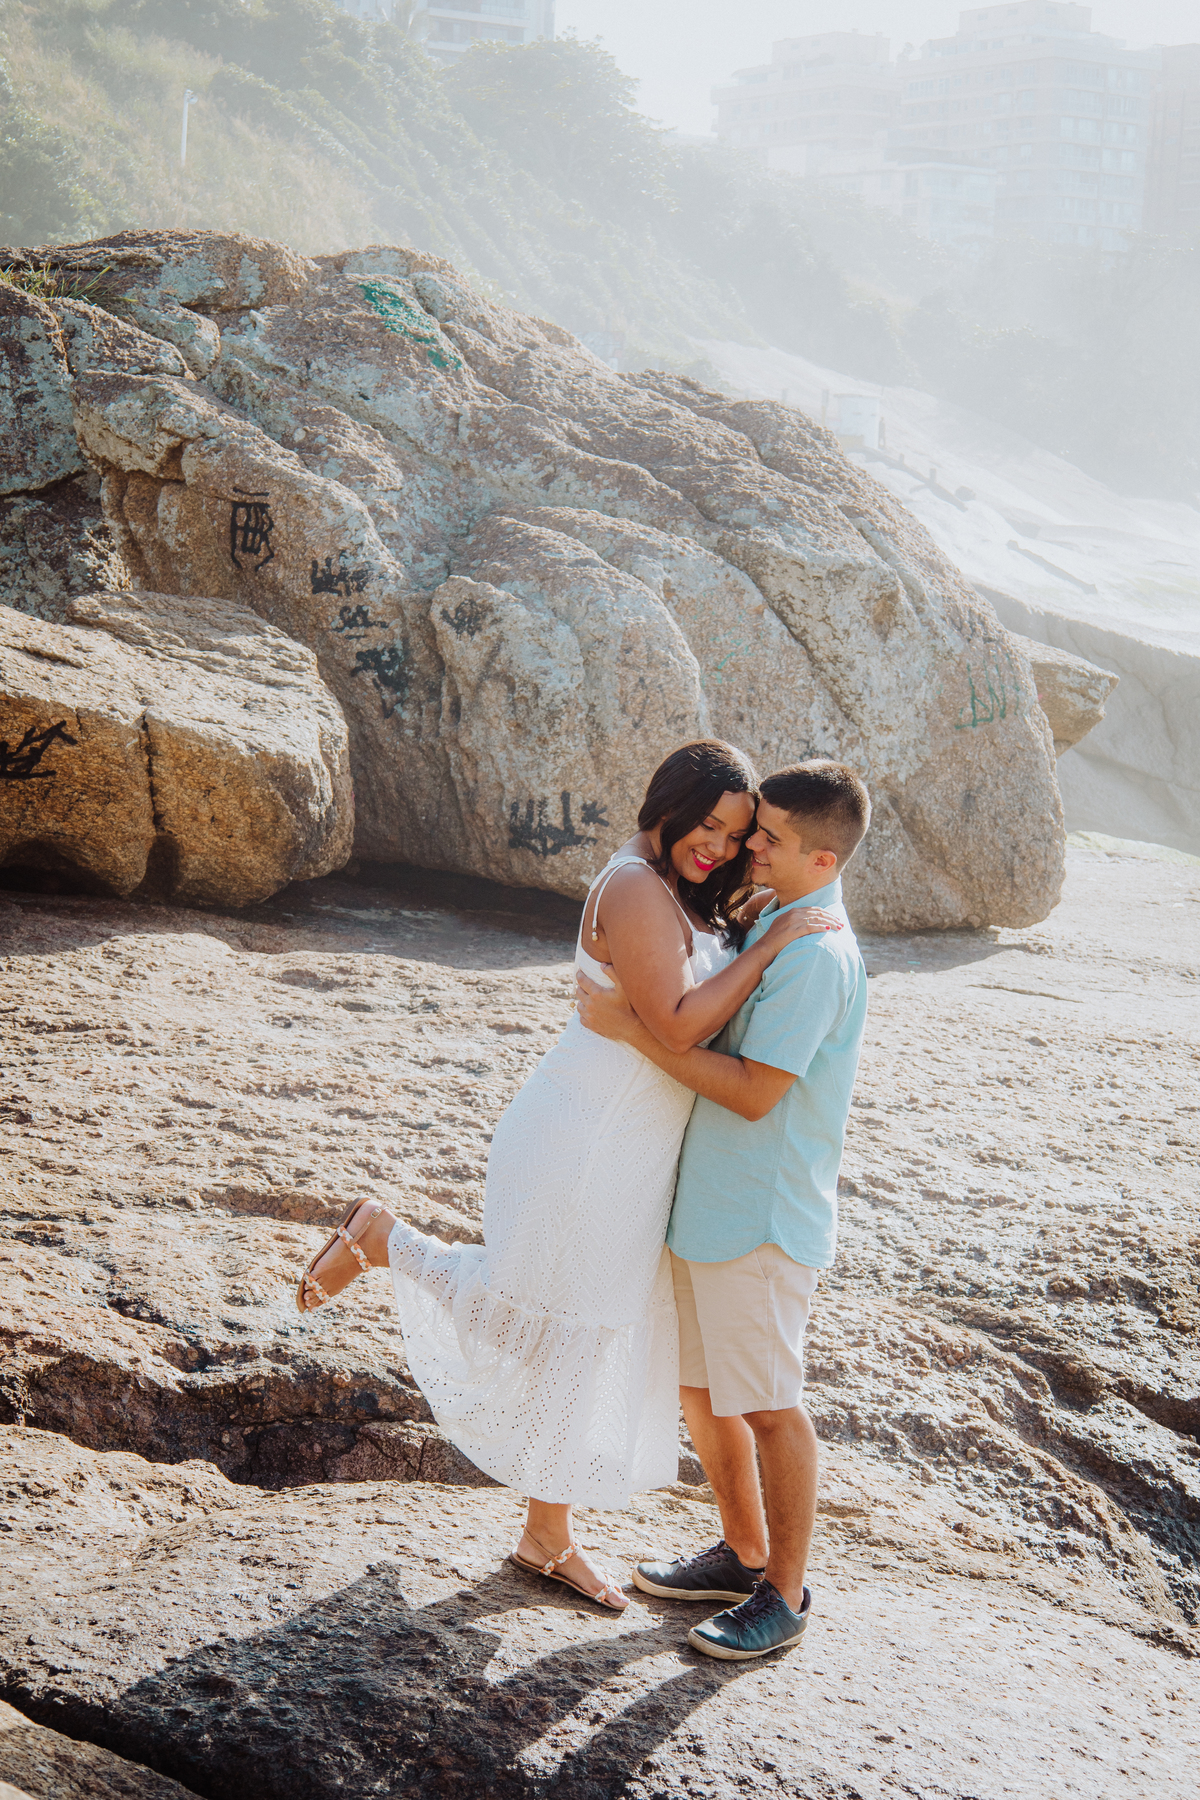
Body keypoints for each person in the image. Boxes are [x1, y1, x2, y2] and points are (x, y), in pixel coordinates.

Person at [291, 741, 840, 1611]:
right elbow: (676, 1023)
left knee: (576, 1338)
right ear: (666, 805)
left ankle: (545, 1533)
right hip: (586, 1139)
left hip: (630, 1148)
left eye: (738, 835)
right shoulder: (634, 887)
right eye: (707, 824)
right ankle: (391, 1244)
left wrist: (756, 919)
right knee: (556, 1330)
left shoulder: (679, 886)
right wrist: (769, 947)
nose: (722, 847)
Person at [575, 759, 870, 1658]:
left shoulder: (814, 952)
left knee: (772, 1406)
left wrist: (635, 1032)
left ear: (822, 859)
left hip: (761, 1218)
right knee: (704, 1394)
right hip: (711, 1208)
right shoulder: (773, 915)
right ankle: (743, 1554)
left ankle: (786, 1593)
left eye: (769, 838)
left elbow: (752, 1092)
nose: (750, 848)